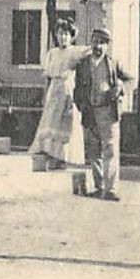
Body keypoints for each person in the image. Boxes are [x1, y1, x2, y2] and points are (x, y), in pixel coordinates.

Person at [73, 26, 134, 201]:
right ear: (91, 42)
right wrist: (82, 105)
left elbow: (132, 80)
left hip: (108, 112)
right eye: (95, 42)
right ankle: (99, 187)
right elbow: (77, 89)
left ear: (107, 46)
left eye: (101, 43)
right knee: (94, 151)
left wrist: (120, 88)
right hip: (90, 112)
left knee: (110, 149)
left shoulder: (113, 63)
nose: (97, 46)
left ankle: (111, 189)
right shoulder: (83, 64)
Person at [30, 21, 88, 170]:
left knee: (65, 123)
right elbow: (47, 77)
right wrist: (45, 96)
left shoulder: (74, 52)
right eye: (60, 34)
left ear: (72, 37)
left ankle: (63, 158)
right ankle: (49, 155)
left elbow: (90, 51)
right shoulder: (52, 53)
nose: (63, 37)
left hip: (67, 89)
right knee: (50, 121)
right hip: (53, 89)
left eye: (66, 34)